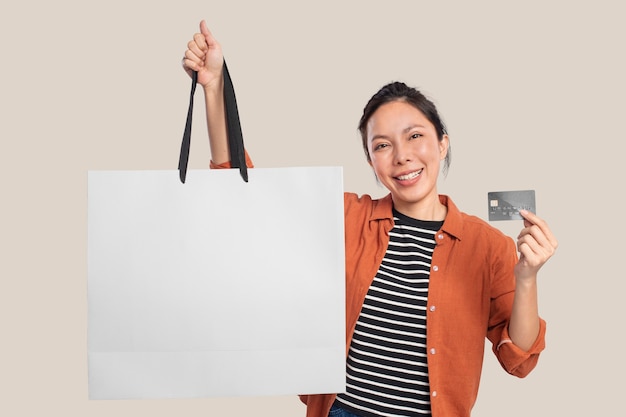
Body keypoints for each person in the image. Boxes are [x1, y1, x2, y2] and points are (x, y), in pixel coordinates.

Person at [182, 20, 558, 417]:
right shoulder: (346, 216)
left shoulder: (488, 247)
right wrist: (213, 87)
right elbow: (245, 196)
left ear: (442, 144)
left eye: (415, 136)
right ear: (370, 160)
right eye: (382, 145)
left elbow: (519, 358)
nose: (402, 156)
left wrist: (527, 278)